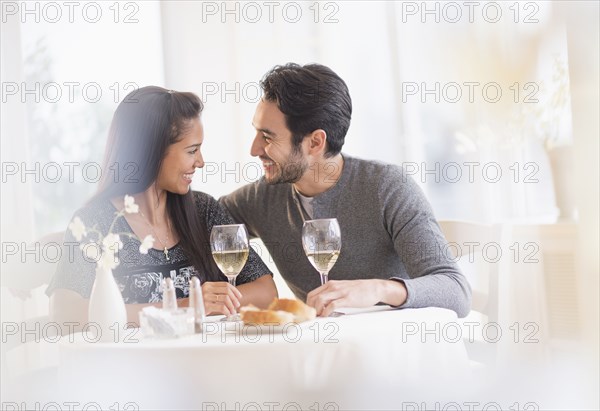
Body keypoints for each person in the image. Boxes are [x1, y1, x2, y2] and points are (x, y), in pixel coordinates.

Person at [220, 63, 471, 318]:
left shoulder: (388, 188)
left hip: (394, 350)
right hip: (322, 353)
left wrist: (378, 289)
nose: (254, 149)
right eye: (256, 132)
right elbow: (198, 220)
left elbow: (456, 292)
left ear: (316, 142)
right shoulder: (260, 199)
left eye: (268, 137)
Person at [47, 86, 277, 326]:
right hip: (133, 363)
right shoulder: (96, 222)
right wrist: (186, 306)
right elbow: (64, 314)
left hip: (204, 360)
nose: (200, 162)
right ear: (152, 151)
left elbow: (266, 292)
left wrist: (214, 302)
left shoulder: (204, 210)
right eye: (192, 150)